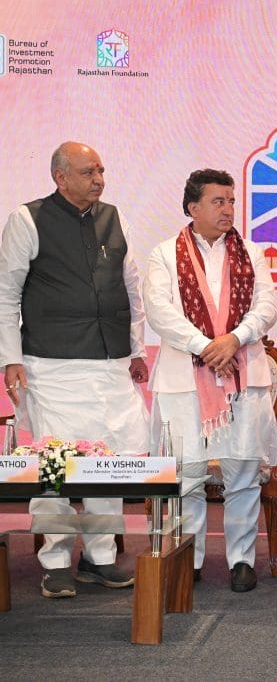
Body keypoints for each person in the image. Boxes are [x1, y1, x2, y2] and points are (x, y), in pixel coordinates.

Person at [0, 141, 149, 598]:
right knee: (54, 465)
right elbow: (6, 293)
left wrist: (137, 349)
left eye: (101, 170)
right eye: (88, 172)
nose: (99, 180)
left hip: (110, 362)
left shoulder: (115, 217)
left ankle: (100, 558)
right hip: (51, 364)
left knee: (108, 463)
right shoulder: (27, 219)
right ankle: (56, 560)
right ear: (60, 177)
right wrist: (10, 358)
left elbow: (131, 286)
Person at [143, 169, 277, 592]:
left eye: (231, 201)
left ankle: (242, 561)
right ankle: (192, 559)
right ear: (193, 207)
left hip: (242, 375)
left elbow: (266, 305)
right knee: (188, 476)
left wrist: (234, 339)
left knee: (243, 473)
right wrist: (206, 346)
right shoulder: (165, 254)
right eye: (218, 201)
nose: (228, 209)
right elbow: (159, 311)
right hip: (184, 380)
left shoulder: (251, 253)